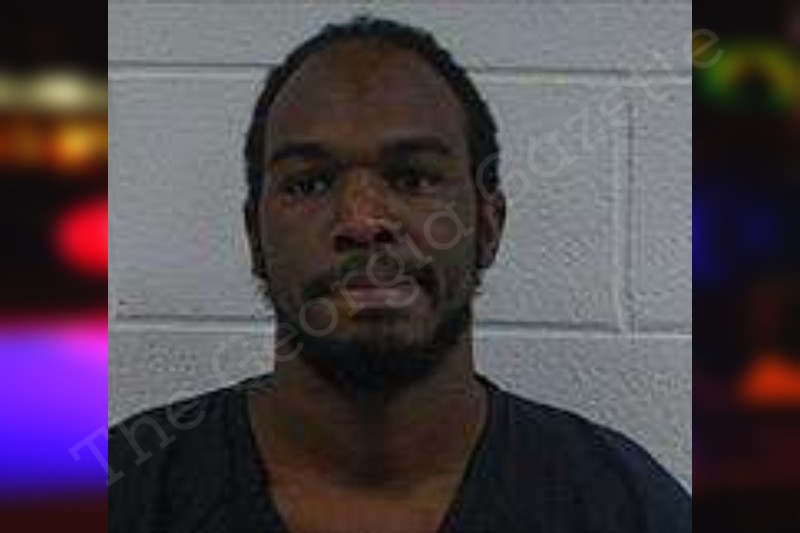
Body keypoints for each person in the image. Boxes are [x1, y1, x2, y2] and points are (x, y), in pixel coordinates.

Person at [109, 16, 690, 533]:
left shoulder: (626, 507)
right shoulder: (126, 492)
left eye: (413, 178)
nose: (363, 221)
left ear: (488, 225)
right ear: (255, 238)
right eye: (309, 183)